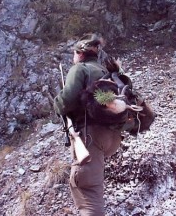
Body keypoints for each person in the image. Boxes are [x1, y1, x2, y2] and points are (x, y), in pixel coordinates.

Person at [54, 33, 122, 216]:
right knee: (92, 182)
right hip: (112, 137)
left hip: (90, 136)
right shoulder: (105, 72)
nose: (73, 57)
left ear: (80, 54)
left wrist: (56, 103)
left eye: (74, 54)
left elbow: (66, 101)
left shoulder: (80, 69)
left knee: (86, 189)